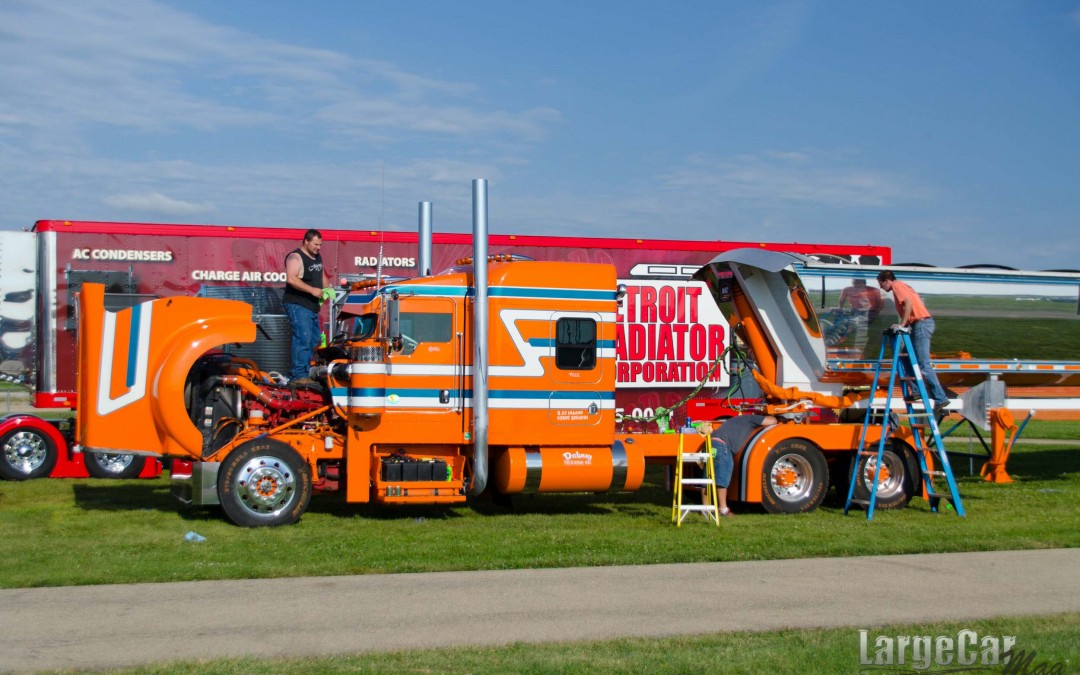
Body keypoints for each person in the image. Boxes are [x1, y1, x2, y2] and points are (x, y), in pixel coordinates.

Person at [876, 270, 949, 416]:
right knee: (905, 357)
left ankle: (940, 398)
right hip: (917, 325)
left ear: (886, 280)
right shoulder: (902, 286)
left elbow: (908, 303)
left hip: (921, 324)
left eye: (880, 284)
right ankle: (916, 391)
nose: (881, 287)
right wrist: (906, 325)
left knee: (923, 364)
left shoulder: (897, 285)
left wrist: (902, 325)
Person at [697, 414, 778, 517]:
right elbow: (771, 421)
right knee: (722, 478)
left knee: (708, 477)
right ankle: (723, 509)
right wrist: (776, 419)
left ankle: (705, 509)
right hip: (723, 445)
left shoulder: (737, 419)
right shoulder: (751, 418)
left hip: (711, 443)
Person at [283, 229, 331, 384]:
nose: (318, 248)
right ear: (306, 241)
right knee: (303, 337)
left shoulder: (317, 257)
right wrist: (312, 290)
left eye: (320, 245)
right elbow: (291, 279)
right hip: (297, 304)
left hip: (311, 306)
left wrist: (328, 289)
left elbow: (321, 274)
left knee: (314, 338)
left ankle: (304, 371)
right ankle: (298, 376)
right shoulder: (295, 257)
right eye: (316, 244)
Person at [835, 278, 883, 352]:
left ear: (864, 283)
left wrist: (876, 313)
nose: (858, 286)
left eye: (860, 284)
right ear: (853, 283)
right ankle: (839, 336)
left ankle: (851, 339)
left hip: (869, 312)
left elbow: (880, 303)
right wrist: (840, 308)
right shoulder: (847, 289)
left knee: (855, 324)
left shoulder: (874, 290)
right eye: (855, 283)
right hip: (855, 311)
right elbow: (842, 299)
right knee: (842, 320)